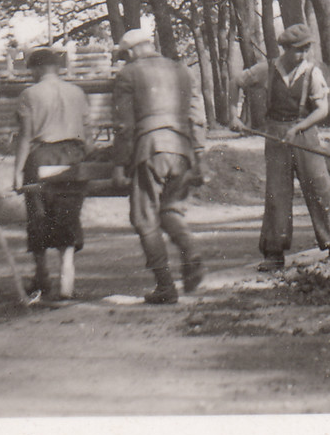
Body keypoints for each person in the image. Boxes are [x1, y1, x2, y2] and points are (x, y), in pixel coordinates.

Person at [230, 24, 330, 272]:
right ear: (285, 49)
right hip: (276, 134)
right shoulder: (266, 70)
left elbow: (322, 110)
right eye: (298, 50)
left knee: (320, 187)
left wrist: (298, 128)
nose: (303, 55)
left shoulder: (313, 73)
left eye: (307, 49)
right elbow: (236, 82)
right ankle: (274, 252)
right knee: (277, 192)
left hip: (305, 134)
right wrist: (233, 115)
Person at [111, 28, 206, 304]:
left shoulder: (128, 74)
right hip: (183, 150)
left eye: (124, 56)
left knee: (144, 217)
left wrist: (119, 164)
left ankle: (165, 286)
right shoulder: (182, 71)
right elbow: (197, 117)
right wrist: (199, 155)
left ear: (129, 52)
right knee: (170, 209)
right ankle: (191, 252)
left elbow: (124, 126)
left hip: (150, 150)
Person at [11, 45, 90, 300]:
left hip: (42, 155)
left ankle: (42, 273)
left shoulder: (29, 94)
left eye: (31, 69)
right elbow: (86, 130)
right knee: (67, 213)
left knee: (39, 214)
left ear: (37, 68)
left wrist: (18, 170)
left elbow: (25, 136)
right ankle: (67, 273)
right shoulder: (77, 92)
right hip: (73, 156)